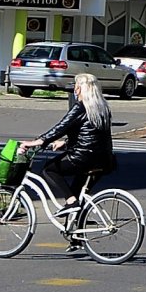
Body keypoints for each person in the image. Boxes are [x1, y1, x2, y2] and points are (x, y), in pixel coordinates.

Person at [33, 72, 116, 205]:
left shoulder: (80, 107)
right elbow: (91, 136)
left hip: (83, 158)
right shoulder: (103, 108)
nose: (74, 90)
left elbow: (61, 127)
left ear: (78, 89)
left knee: (49, 170)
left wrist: (40, 141)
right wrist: (65, 144)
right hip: (104, 159)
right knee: (76, 193)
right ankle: (76, 219)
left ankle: (71, 201)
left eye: (75, 86)